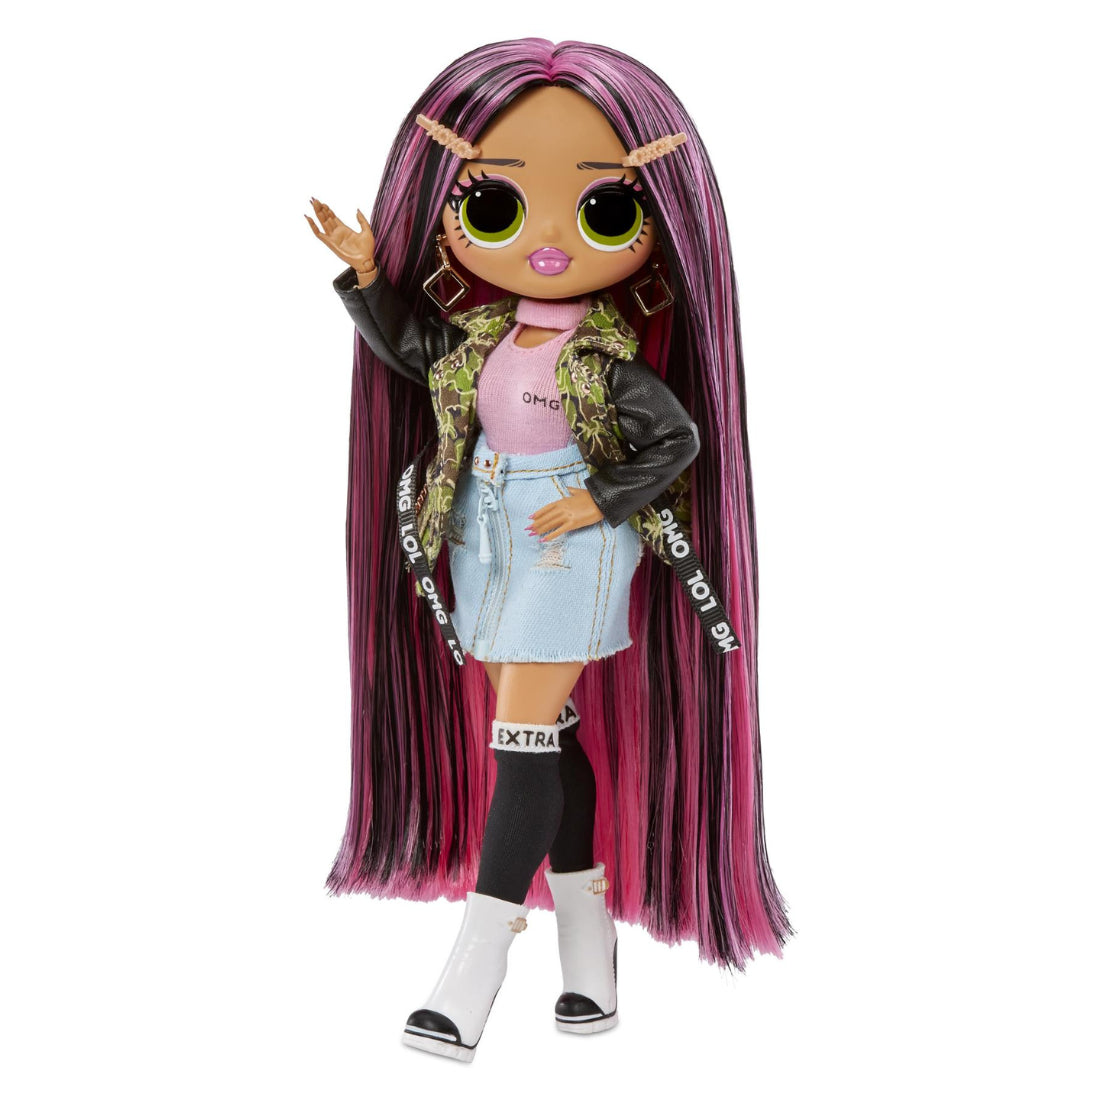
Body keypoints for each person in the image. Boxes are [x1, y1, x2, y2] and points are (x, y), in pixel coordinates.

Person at [307, 38, 790, 1062]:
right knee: (545, 736)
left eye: (603, 211)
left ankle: (474, 964)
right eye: (496, 207)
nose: (551, 241)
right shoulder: (487, 342)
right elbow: (416, 352)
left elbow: (675, 438)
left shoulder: (603, 361)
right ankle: (587, 940)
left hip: (572, 546)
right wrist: (367, 275)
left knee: (517, 741)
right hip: (486, 533)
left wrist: (597, 497)